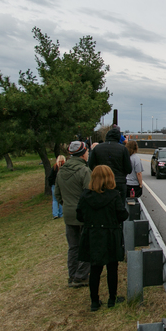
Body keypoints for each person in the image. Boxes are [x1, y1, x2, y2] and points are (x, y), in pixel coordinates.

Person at [77, 165, 129, 311]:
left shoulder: (85, 195)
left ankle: (94, 301)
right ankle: (112, 299)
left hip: (93, 235)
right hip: (110, 235)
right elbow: (122, 215)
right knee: (112, 267)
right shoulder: (114, 195)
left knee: (95, 268)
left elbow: (79, 215)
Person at [55, 141, 91, 288]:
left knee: (73, 247)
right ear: (82, 154)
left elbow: (57, 194)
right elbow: (89, 194)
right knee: (86, 246)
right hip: (83, 214)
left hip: (69, 214)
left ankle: (72, 275)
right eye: (87, 152)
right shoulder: (84, 171)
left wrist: (68, 206)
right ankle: (81, 276)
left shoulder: (61, 171)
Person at [88, 127, 132, 203]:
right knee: (119, 207)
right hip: (118, 182)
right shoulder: (123, 149)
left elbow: (91, 165)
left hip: (101, 182)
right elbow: (128, 168)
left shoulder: (97, 148)